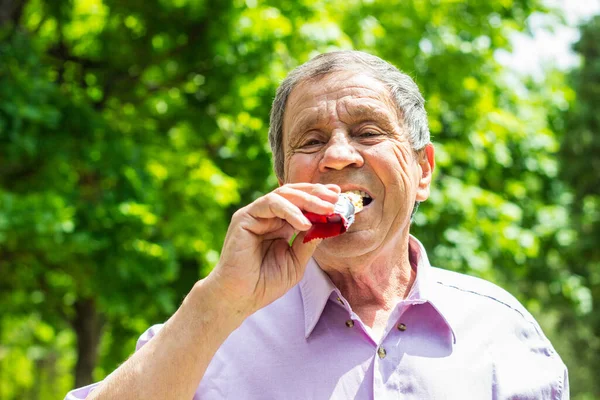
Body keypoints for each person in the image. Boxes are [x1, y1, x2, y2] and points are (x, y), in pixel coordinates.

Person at [66, 50, 568, 399]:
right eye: (309, 141)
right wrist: (218, 301)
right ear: (283, 180)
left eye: (368, 131)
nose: (338, 156)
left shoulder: (502, 332)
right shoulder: (216, 325)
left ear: (423, 172)